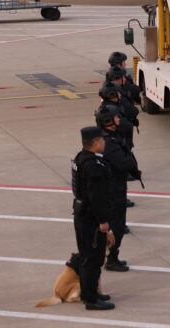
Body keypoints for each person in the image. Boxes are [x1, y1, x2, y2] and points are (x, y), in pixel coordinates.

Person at [71, 126, 114, 310]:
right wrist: (103, 221)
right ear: (95, 143)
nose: (104, 142)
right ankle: (91, 299)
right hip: (91, 218)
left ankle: (89, 292)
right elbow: (96, 197)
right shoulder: (93, 166)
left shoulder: (81, 158)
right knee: (93, 259)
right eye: (102, 140)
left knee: (86, 257)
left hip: (81, 214)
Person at [96, 107, 140, 272]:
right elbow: (124, 163)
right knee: (117, 227)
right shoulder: (110, 142)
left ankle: (112, 257)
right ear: (108, 121)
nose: (119, 119)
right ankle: (111, 259)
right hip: (114, 190)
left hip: (114, 187)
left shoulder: (109, 137)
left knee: (116, 226)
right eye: (116, 117)